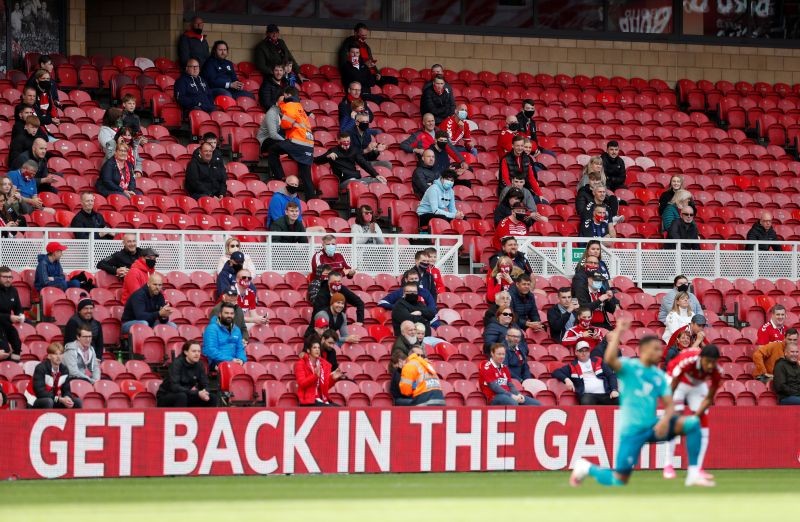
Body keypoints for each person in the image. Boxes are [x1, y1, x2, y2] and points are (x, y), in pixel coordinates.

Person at [570, 319, 714, 488]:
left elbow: (669, 405)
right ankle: (585, 467)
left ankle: (694, 473)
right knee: (619, 480)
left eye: (660, 349)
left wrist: (666, 420)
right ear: (644, 350)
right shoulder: (630, 367)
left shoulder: (658, 375)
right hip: (632, 431)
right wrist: (617, 333)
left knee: (692, 424)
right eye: (656, 349)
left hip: (652, 426)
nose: (660, 352)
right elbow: (609, 359)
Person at [662, 344, 722, 480]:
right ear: (701, 358)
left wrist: (695, 417)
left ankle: (698, 468)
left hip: (697, 384)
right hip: (677, 381)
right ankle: (668, 465)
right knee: (675, 420)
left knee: (703, 425)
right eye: (708, 362)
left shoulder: (717, 371)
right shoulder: (687, 362)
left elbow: (708, 398)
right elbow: (673, 384)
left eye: (713, 362)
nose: (710, 366)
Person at [269, 88, 316, 198]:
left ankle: (280, 178)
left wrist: (281, 124)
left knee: (272, 150)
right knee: (306, 176)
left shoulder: (289, 104)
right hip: (308, 144)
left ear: (287, 95)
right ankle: (312, 201)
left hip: (297, 141)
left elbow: (286, 123)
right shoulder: (300, 107)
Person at [553, 340, 620, 405]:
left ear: (589, 352)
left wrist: (614, 390)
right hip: (588, 396)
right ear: (576, 352)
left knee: (620, 400)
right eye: (581, 351)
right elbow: (556, 372)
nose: (584, 353)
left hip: (606, 394)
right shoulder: (572, 366)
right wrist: (566, 380)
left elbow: (611, 375)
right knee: (586, 401)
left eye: (586, 350)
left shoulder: (598, 361)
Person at [158, 340, 218, 407]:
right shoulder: (176, 364)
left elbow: (205, 384)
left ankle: (208, 417)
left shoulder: (199, 365)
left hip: (187, 394)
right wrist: (196, 393)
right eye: (194, 351)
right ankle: (180, 418)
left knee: (212, 397)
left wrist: (205, 392)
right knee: (181, 396)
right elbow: (174, 387)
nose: (197, 354)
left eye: (199, 351)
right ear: (186, 352)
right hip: (167, 396)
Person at [314, 132, 387, 188]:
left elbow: (363, 163)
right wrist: (328, 156)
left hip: (357, 178)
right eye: (344, 141)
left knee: (380, 181)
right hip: (345, 181)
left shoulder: (353, 150)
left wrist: (376, 175)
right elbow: (317, 160)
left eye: (348, 141)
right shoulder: (333, 151)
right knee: (360, 184)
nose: (346, 144)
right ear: (338, 141)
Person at [337, 23, 398, 89]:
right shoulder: (349, 46)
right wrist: (364, 65)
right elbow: (346, 66)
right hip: (360, 76)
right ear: (355, 33)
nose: (364, 38)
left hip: (371, 75)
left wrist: (378, 73)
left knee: (393, 80)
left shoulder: (366, 46)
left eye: (365, 35)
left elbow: (372, 62)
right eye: (362, 35)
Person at [26, 343, 82, 409]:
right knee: (49, 401)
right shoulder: (41, 368)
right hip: (34, 399)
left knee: (77, 402)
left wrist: (67, 397)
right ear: (49, 356)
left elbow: (66, 390)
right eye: (55, 354)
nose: (58, 357)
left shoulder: (64, 369)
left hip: (54, 399)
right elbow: (40, 393)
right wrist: (60, 399)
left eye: (61, 354)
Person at [295, 337, 343, 407]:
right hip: (308, 400)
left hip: (321, 399)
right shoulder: (301, 364)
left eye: (318, 348)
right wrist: (315, 376)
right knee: (331, 409)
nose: (317, 349)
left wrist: (332, 378)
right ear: (308, 350)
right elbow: (302, 383)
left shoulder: (323, 364)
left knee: (341, 410)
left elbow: (324, 387)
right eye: (314, 348)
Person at [202, 302, 245, 368]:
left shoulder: (236, 330)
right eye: (226, 313)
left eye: (231, 313)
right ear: (220, 314)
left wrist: (241, 359)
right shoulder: (212, 329)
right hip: (217, 362)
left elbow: (240, 349)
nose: (229, 316)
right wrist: (231, 360)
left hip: (234, 362)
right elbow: (210, 350)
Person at [0, 266, 24, 362]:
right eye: (5, 277)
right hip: (1, 323)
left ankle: (14, 366)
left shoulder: (13, 290)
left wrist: (21, 315)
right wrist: (9, 317)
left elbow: (18, 308)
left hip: (7, 323)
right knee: (5, 350)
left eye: (10, 277)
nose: (8, 280)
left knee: (17, 344)